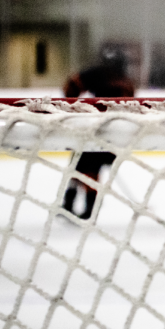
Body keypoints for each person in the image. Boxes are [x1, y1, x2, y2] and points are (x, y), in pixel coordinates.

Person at [60, 48, 136, 219]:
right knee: (82, 167)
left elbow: (71, 85)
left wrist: (73, 106)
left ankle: (80, 206)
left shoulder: (100, 74)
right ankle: (78, 205)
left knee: (83, 168)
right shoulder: (125, 81)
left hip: (98, 130)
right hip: (109, 132)